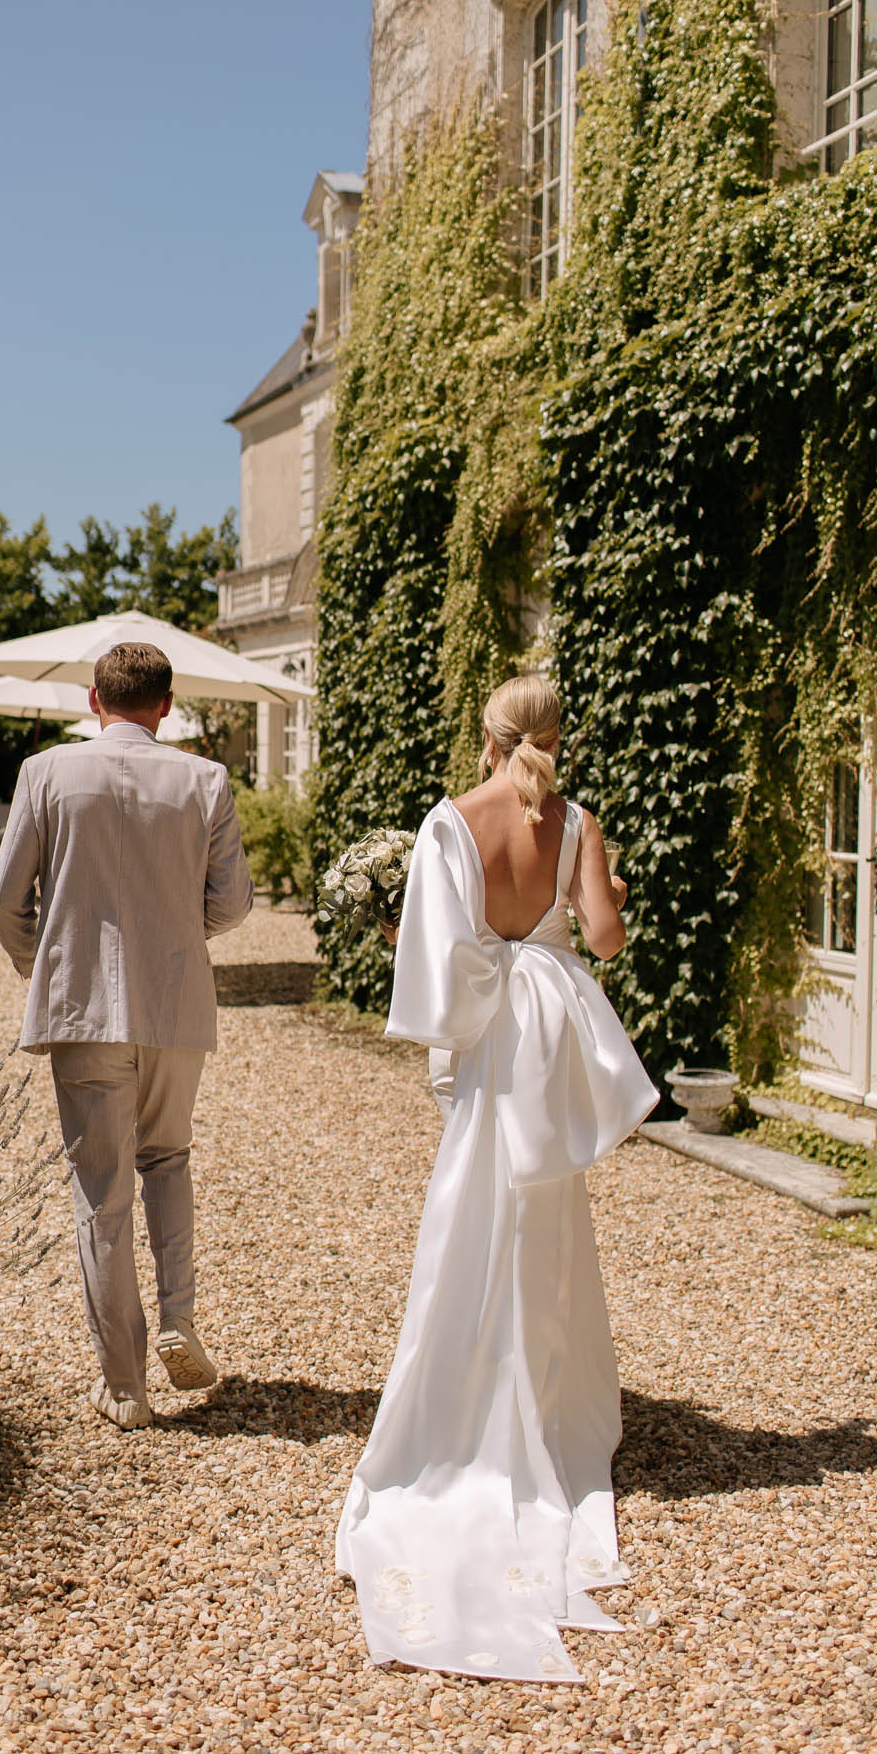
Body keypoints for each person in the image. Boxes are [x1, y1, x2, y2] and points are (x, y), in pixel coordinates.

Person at [335, 674, 658, 1681]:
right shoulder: (577, 822)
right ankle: (545, 1405)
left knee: (468, 1220)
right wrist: (580, 892)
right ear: (560, 737)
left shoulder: (449, 822)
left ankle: (461, 1407)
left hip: (489, 1050)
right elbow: (603, 937)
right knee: (548, 1224)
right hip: (550, 1047)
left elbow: (436, 970)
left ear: (486, 733)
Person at [0, 640, 254, 1432]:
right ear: (166, 705)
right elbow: (233, 902)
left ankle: (126, 1386)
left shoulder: (47, 773)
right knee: (167, 1158)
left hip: (82, 1008)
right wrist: (174, 932)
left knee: (100, 1190)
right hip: (175, 1002)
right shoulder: (205, 779)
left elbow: (6, 898)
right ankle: (178, 1313)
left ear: (93, 700)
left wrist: (47, 961)